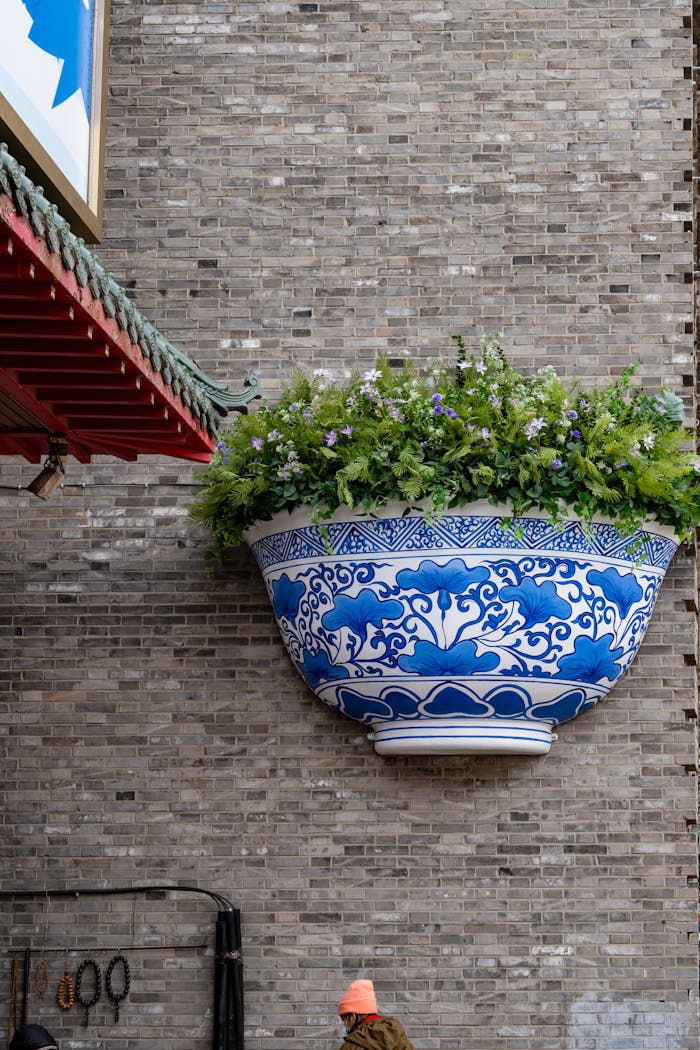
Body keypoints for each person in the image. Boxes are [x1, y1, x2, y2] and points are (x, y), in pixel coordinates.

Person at [337, 978, 416, 1049]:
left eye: (345, 1018)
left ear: (353, 1016)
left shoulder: (350, 1047)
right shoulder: (396, 1033)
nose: (345, 1023)